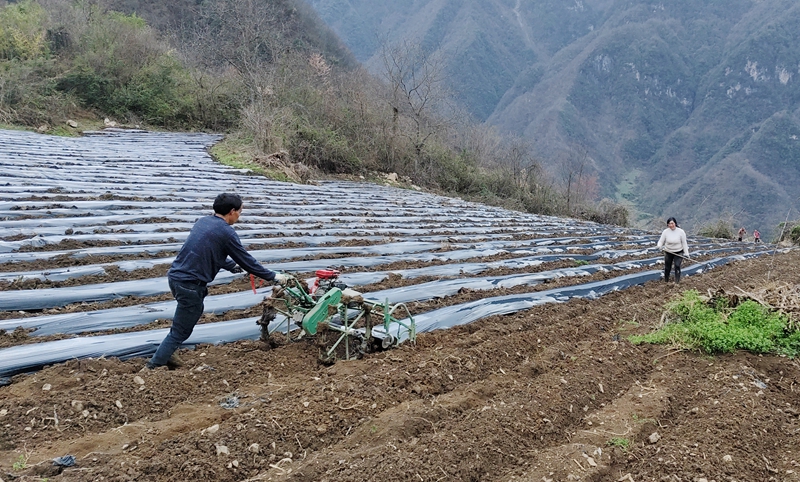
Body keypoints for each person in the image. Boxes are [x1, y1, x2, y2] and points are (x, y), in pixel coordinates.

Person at [145, 193, 291, 369]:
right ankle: (154, 366)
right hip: (190, 285)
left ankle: (168, 353)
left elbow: (209, 252)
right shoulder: (226, 232)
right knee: (181, 330)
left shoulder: (203, 222)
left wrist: (233, 267)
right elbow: (246, 259)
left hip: (176, 278)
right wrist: (274, 277)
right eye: (240, 211)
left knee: (185, 319)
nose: (240, 215)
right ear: (232, 211)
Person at [656, 217, 689, 283]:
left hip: (678, 251)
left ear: (675, 223)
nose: (671, 225)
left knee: (677, 266)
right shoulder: (665, 232)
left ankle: (677, 282)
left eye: (672, 223)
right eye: (669, 224)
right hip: (668, 251)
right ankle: (666, 281)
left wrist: (686, 253)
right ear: (667, 225)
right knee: (667, 267)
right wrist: (659, 245)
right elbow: (661, 241)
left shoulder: (681, 232)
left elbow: (684, 243)